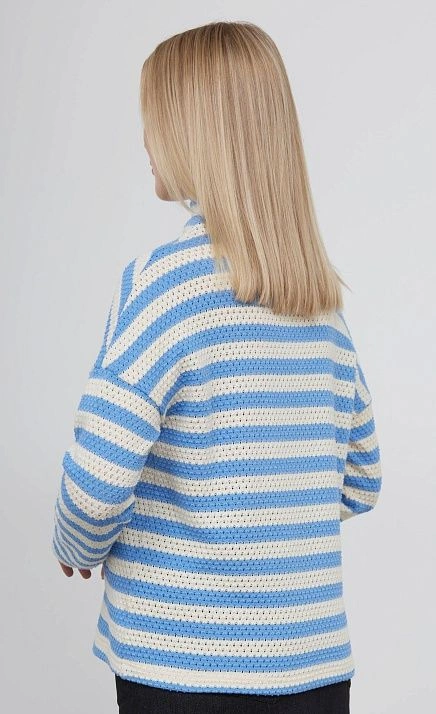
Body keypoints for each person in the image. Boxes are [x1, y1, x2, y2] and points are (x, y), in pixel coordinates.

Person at [51, 20, 382, 714]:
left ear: (190, 136)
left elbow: (94, 485)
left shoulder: (164, 288)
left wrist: (76, 543)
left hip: (182, 674)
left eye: (154, 121)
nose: (144, 140)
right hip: (317, 673)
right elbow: (361, 481)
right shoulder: (321, 307)